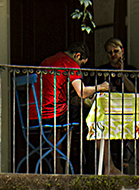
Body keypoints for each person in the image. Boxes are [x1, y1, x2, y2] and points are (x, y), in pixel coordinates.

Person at [30, 42, 109, 173]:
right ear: (77, 56)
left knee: (61, 125)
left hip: (35, 113)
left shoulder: (48, 60)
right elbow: (81, 92)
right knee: (93, 117)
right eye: (81, 64)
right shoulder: (70, 64)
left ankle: (58, 165)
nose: (80, 67)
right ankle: (95, 165)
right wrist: (100, 87)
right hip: (53, 112)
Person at [95, 38, 139, 175]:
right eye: (110, 53)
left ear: (122, 51)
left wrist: (123, 75)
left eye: (116, 51)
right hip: (108, 112)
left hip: (128, 113)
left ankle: (125, 162)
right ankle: (109, 165)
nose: (113, 55)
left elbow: (134, 91)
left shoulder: (132, 70)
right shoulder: (102, 70)